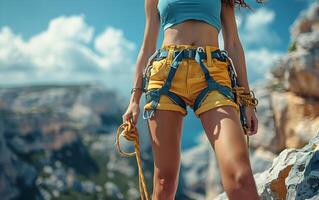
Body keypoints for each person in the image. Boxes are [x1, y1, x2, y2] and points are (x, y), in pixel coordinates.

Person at [122, 0, 262, 199]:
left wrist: (246, 101)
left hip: (213, 73)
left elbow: (232, 44)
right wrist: (134, 99)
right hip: (164, 75)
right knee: (164, 183)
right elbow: (147, 47)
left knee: (240, 178)